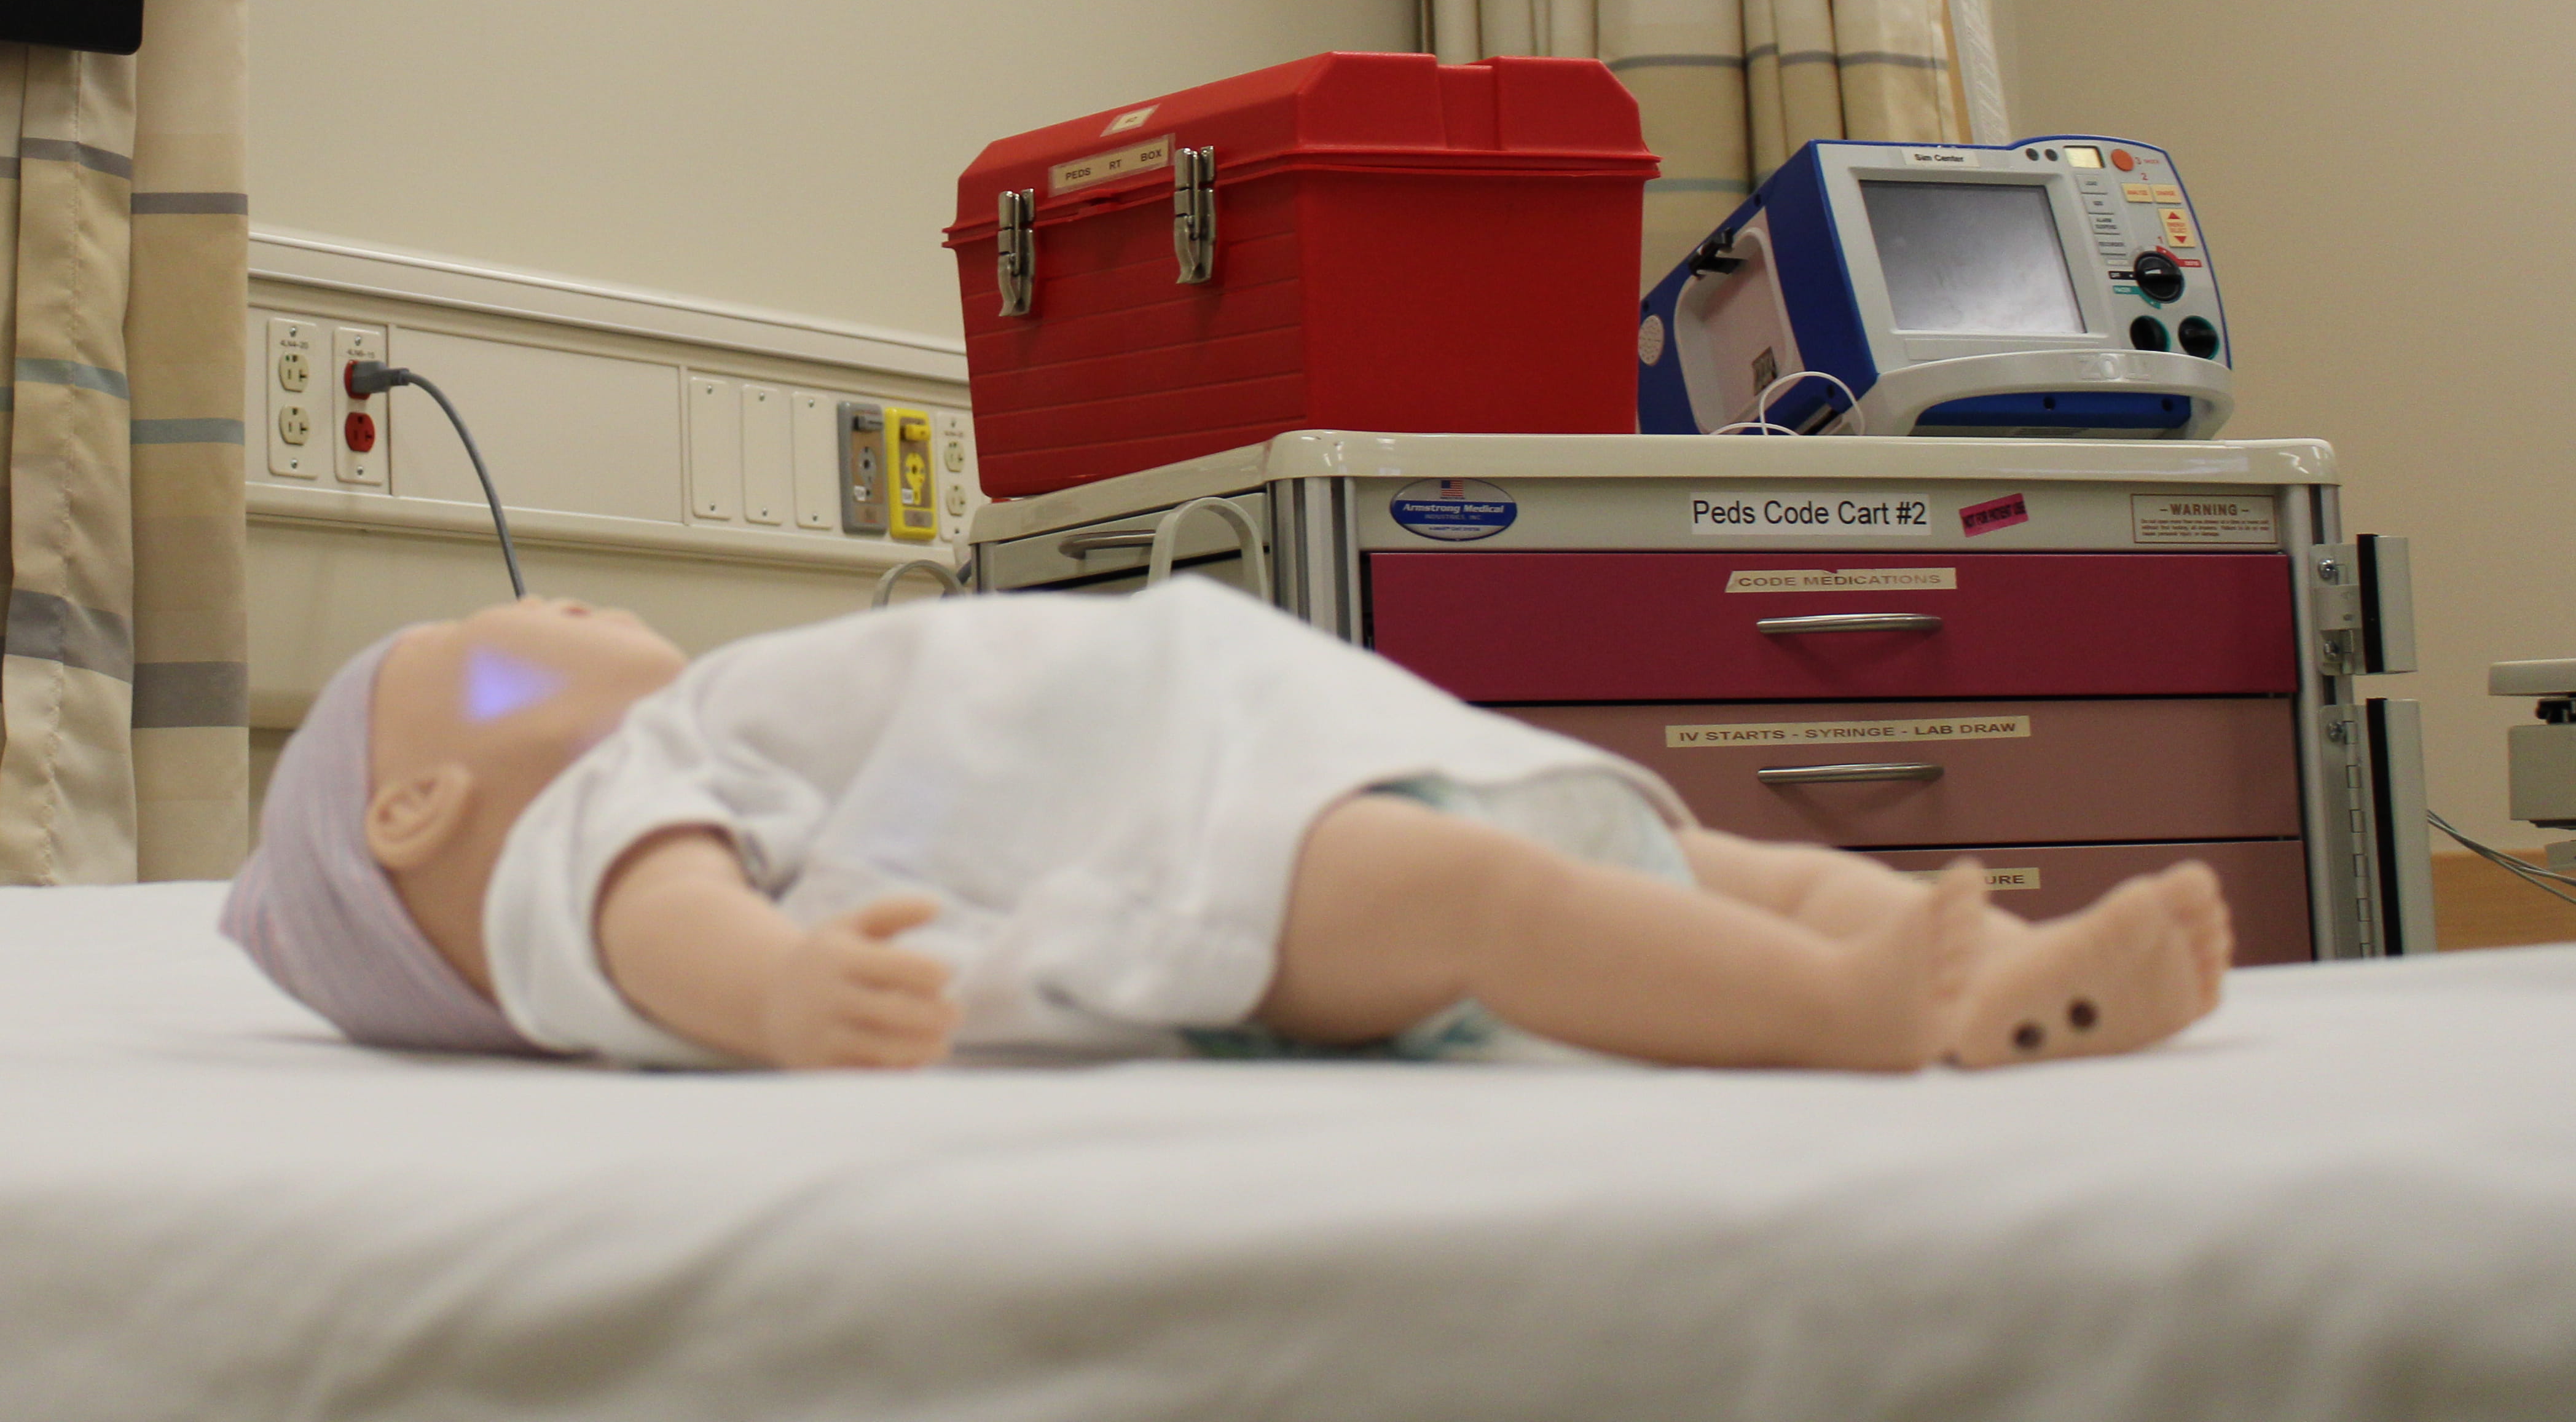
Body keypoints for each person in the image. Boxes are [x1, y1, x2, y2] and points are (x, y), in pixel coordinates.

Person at [221, 584, 2229, 1073]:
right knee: (1481, 896)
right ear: (420, 803)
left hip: (1263, 761)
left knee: (1665, 845)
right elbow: (648, 916)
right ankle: (1851, 1016)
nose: (555, 617)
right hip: (1193, 879)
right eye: (501, 643)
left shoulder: (715, 724)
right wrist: (779, 996)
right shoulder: (612, 797)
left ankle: (1990, 984)